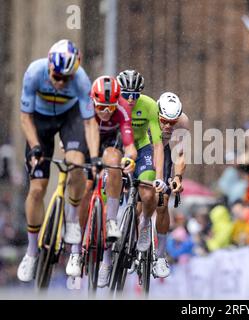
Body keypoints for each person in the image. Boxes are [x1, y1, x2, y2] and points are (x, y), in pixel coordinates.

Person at [17, 40, 100, 282]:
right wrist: (34, 147)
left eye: (66, 78)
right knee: (37, 188)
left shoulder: (81, 80)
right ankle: (32, 252)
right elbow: (25, 118)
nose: (61, 82)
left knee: (76, 165)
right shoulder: (34, 73)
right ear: (49, 65)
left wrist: (94, 157)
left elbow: (89, 123)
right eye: (57, 76)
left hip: (69, 118)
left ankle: (72, 223)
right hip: (40, 122)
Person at [97, 70, 167, 286]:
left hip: (142, 148)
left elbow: (157, 144)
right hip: (117, 147)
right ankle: (106, 261)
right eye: (126, 94)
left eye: (135, 95)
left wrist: (161, 178)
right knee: (108, 202)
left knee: (148, 194)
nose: (130, 99)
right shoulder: (113, 104)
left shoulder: (149, 105)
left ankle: (145, 224)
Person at [69, 76, 137, 278]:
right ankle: (75, 252)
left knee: (115, 160)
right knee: (86, 186)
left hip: (109, 144)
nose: (106, 112)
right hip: (86, 141)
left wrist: (130, 159)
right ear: (93, 101)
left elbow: (129, 144)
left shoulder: (123, 108)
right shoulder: (84, 105)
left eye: (111, 108)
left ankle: (111, 221)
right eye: (101, 107)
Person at [150, 92, 190, 278]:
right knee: (142, 198)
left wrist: (178, 177)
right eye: (164, 121)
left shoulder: (183, 122)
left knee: (162, 202)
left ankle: (160, 255)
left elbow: (180, 154)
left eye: (171, 123)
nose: (167, 126)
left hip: (164, 151)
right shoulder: (149, 112)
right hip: (146, 148)